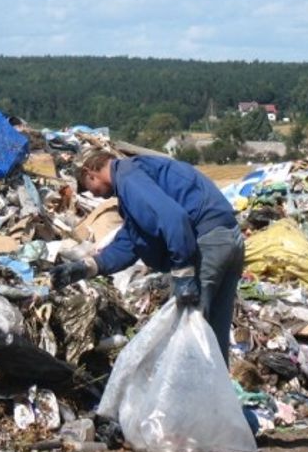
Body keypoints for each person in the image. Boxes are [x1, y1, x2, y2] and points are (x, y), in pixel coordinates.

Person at [50, 149, 245, 365]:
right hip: (229, 240)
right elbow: (132, 242)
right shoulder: (141, 173)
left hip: (208, 245)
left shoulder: (128, 178)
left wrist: (184, 272)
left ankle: (187, 396)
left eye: (89, 188)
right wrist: (88, 267)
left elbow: (173, 218)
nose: (95, 196)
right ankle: (217, 396)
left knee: (189, 335)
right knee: (214, 335)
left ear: (90, 173)